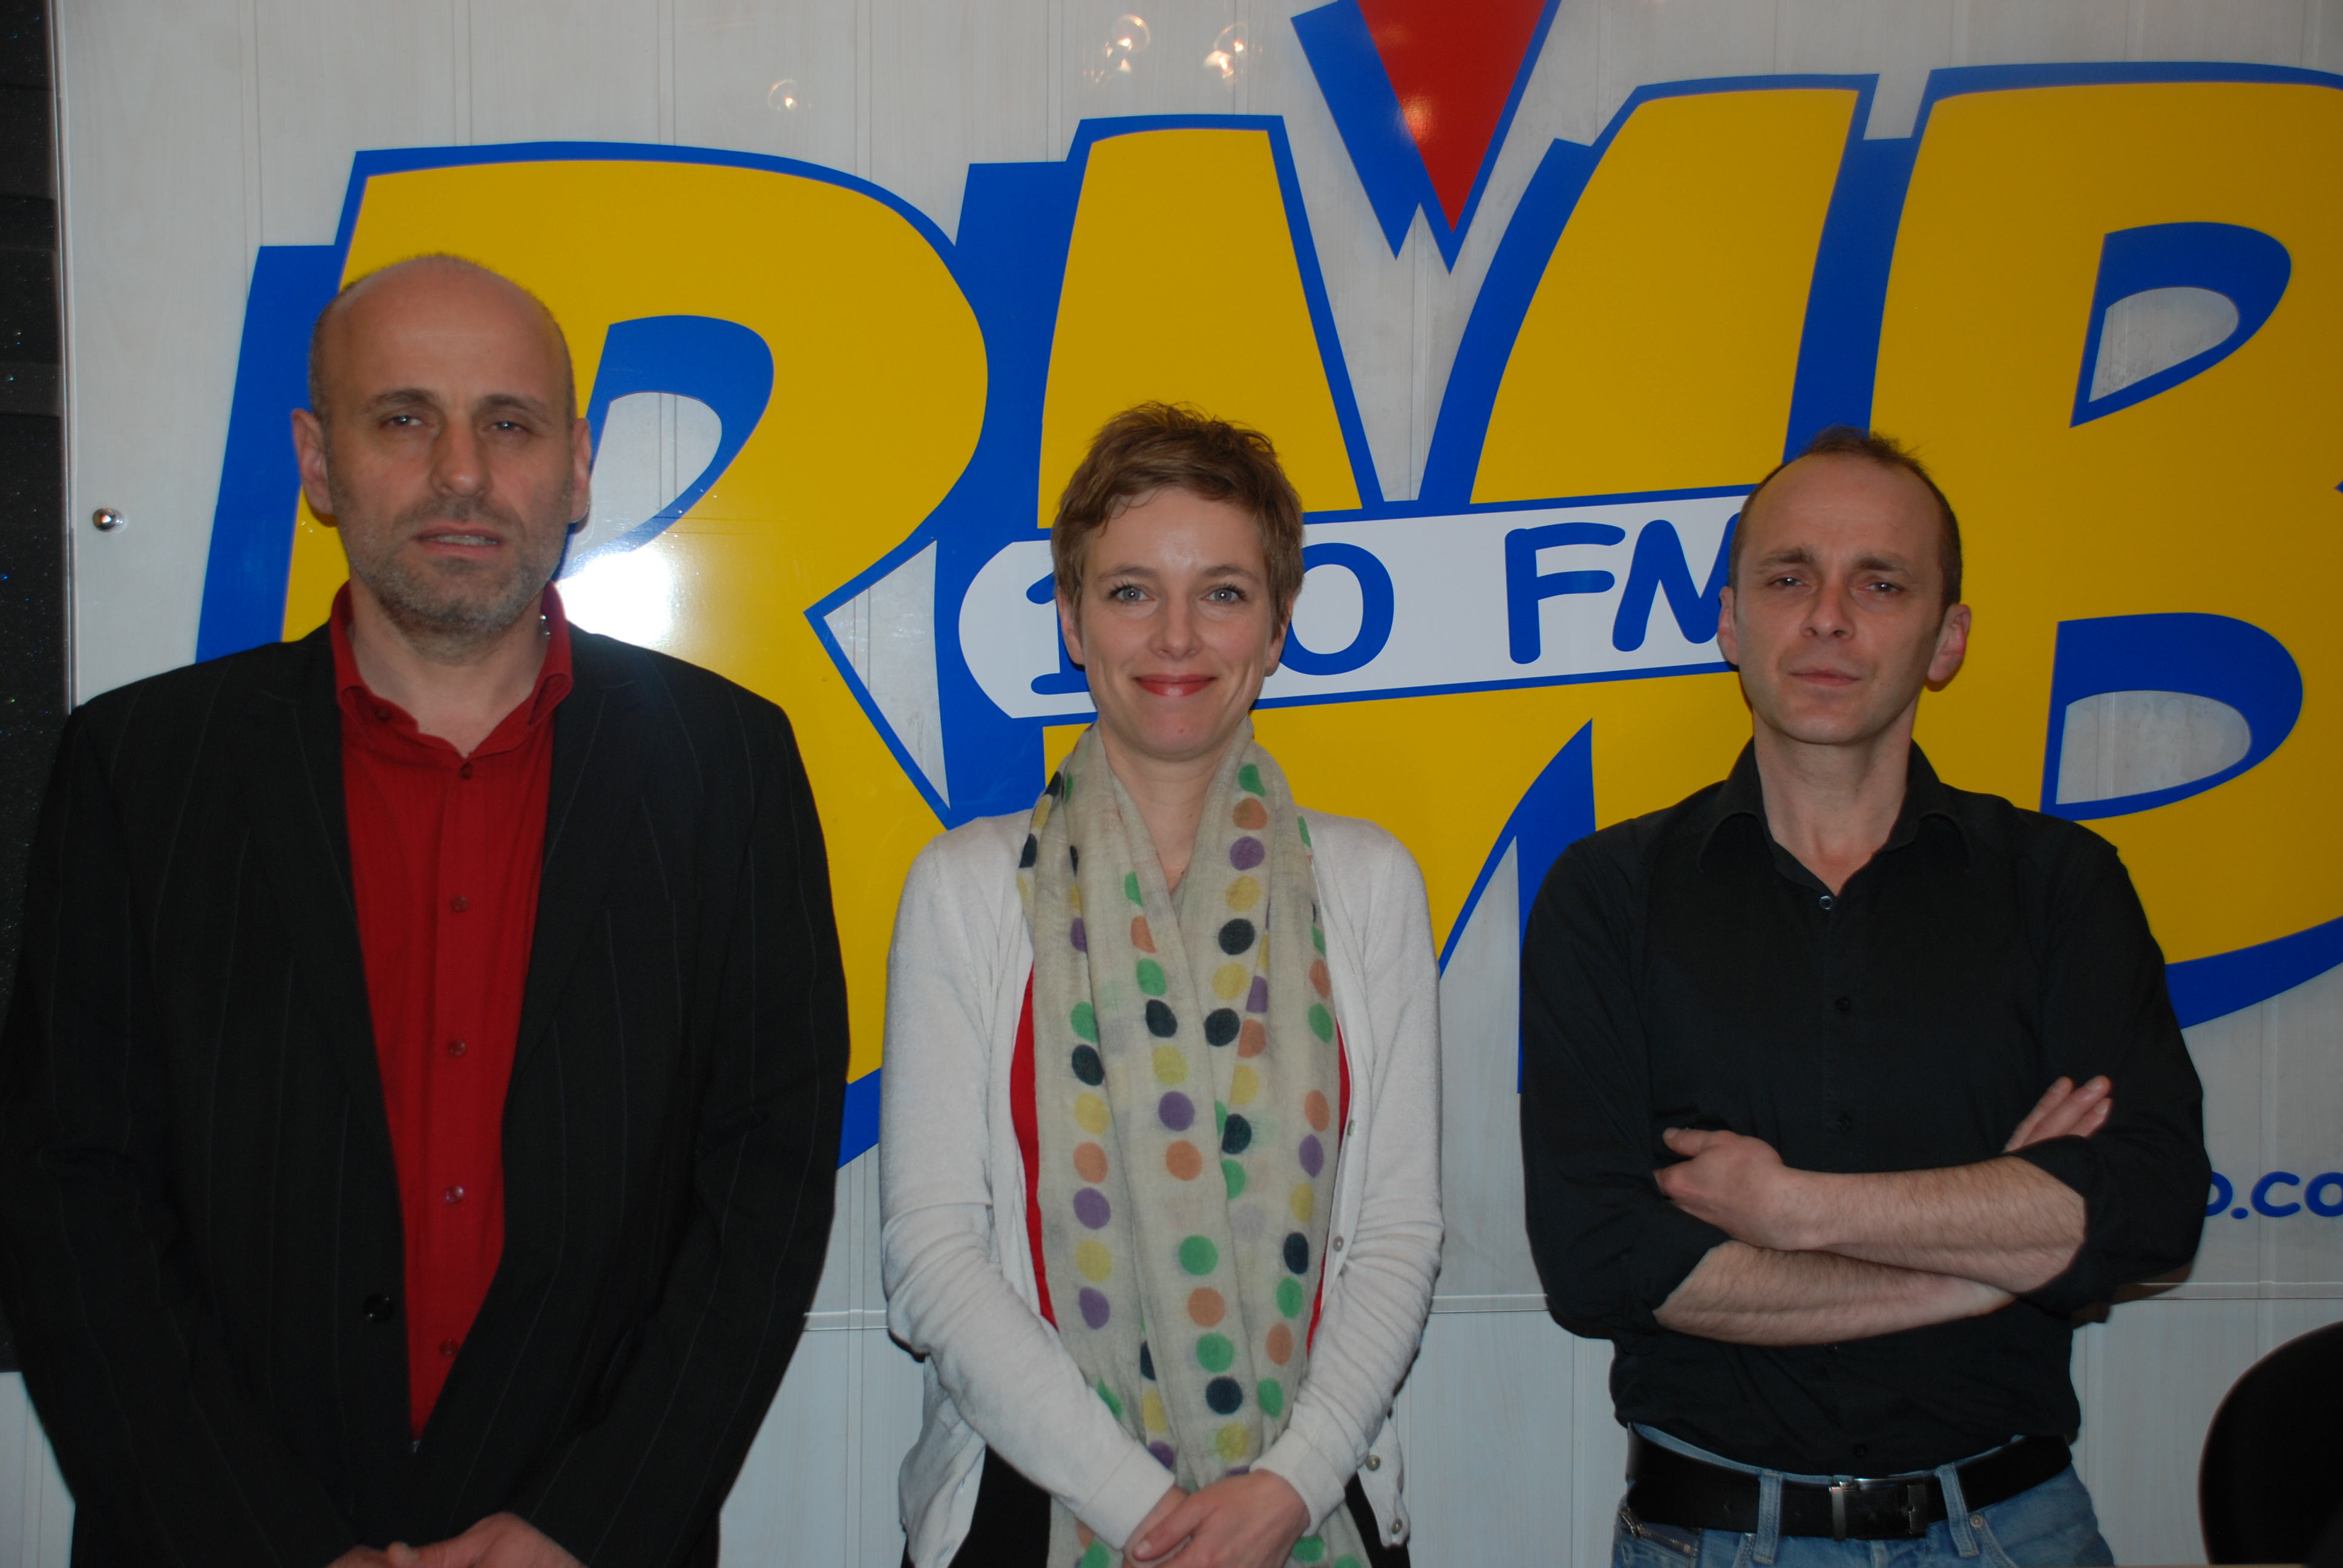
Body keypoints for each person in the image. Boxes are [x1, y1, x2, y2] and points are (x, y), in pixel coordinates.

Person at [0, 255, 848, 1567]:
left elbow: (765, 1192)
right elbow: (73, 1201)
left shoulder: (728, 763)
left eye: (509, 423)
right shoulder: (141, 770)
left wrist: (586, 1523)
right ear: (317, 460)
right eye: (403, 418)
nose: (462, 472)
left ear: (576, 467)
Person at [1520, 427, 2209, 1568]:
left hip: (2014, 1532)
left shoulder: (2062, 887)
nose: (1829, 618)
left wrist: (1794, 1209)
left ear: (1948, 639)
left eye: (1881, 583)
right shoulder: (1608, 896)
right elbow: (1603, 1263)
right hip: (1713, 1538)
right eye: (1789, 578)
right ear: (1731, 622)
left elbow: (2148, 1208)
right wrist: (1983, 1260)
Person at [881, 404, 1441, 1568]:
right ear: (1073, 619)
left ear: (1278, 625)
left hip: (1306, 1510)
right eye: (1132, 591)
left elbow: (1397, 1234)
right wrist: (1143, 1510)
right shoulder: (966, 888)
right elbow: (934, 1254)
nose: (1176, 636)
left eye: (1223, 593)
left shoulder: (1369, 883)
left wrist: (1287, 1489)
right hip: (1033, 1508)